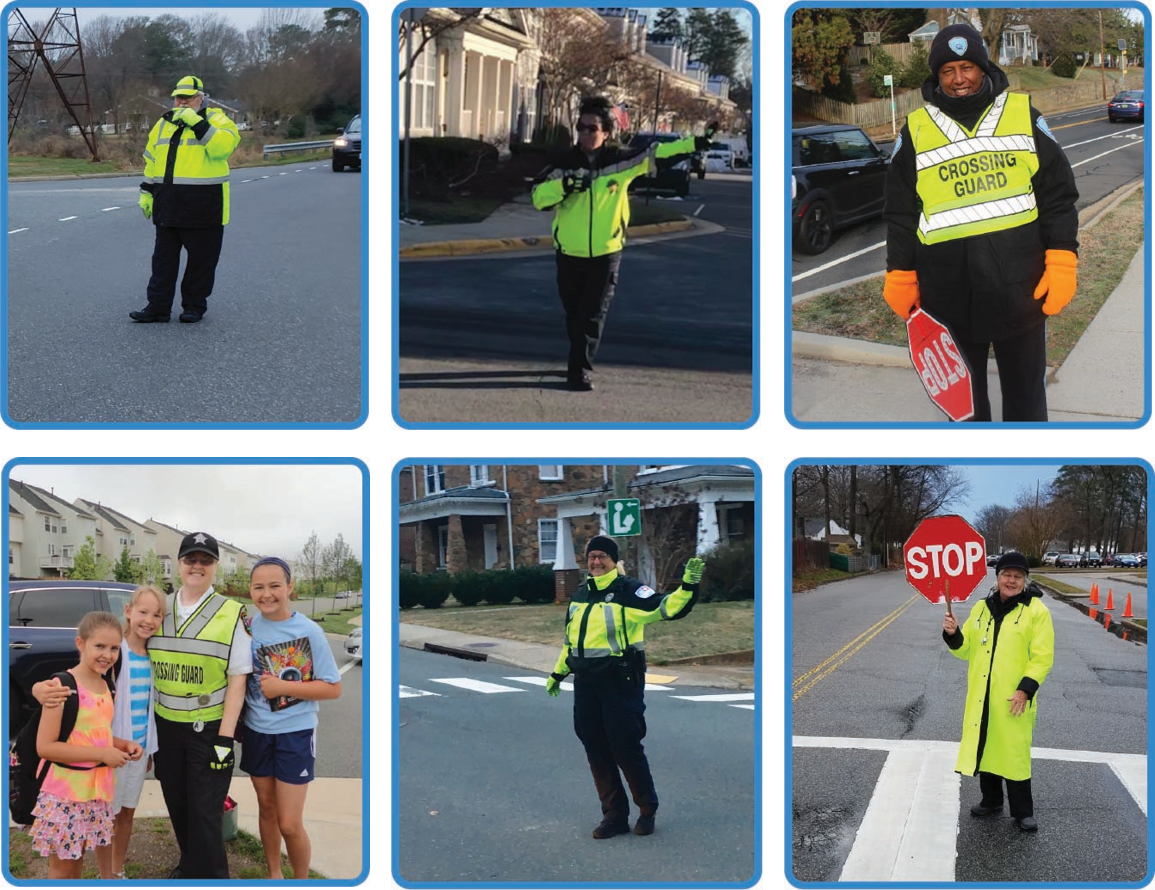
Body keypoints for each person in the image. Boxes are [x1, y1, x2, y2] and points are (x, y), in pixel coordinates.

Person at [882, 23, 1080, 421]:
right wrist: (900, 273)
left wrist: (1062, 260)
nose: (959, 79)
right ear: (936, 77)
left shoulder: (1024, 115)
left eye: (967, 67)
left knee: (1026, 405)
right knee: (966, 412)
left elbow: (1058, 196)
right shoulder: (916, 133)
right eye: (948, 70)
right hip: (947, 297)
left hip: (1022, 292)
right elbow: (901, 213)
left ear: (984, 69)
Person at [531, 96, 718, 390]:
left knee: (592, 314)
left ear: (606, 132)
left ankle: (577, 369)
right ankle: (576, 357)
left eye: (591, 128)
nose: (584, 133)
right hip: (568, 252)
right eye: (580, 127)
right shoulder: (563, 164)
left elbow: (658, 154)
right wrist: (564, 187)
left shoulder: (619, 162)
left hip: (606, 253)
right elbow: (537, 197)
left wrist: (696, 144)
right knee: (574, 313)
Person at [546, 535, 705, 838]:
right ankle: (614, 815)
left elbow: (666, 607)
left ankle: (647, 809)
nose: (596, 562)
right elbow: (572, 643)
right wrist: (557, 674)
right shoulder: (580, 594)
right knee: (595, 748)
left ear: (614, 561)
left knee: (625, 747)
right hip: (587, 684)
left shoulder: (629, 591)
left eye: (603, 556)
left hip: (620, 682)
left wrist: (688, 586)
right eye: (592, 556)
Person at [148, 531, 252, 878]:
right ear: (179, 565)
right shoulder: (159, 608)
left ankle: (212, 876)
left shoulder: (231, 613)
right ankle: (189, 866)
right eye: (190, 559)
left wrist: (224, 739)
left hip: (209, 732)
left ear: (215, 567)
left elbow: (238, 679)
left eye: (205, 560)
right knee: (177, 804)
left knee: (205, 813)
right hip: (166, 729)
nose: (197, 566)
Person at [241, 557, 342, 879]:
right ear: (250, 590)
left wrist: (283, 686)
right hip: (256, 731)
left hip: (295, 733)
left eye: (274, 586)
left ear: (290, 588)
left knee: (289, 822)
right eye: (259, 587)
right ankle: (274, 874)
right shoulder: (247, 628)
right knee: (267, 810)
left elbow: (333, 688)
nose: (267, 594)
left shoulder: (309, 631)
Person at [941, 551, 1054, 831]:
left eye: (1018, 576)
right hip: (982, 695)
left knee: (1013, 752)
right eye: (1007, 575)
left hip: (1013, 697)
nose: (1011, 581)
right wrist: (953, 633)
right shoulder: (981, 608)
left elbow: (1042, 657)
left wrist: (1025, 690)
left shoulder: (1036, 612)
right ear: (998, 577)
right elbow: (966, 649)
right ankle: (991, 800)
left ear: (1025, 580)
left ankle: (1022, 811)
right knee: (986, 746)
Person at [30, 611, 143, 879]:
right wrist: (102, 754)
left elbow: (93, 734)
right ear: (80, 643)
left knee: (77, 859)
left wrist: (122, 744)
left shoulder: (107, 686)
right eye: (100, 646)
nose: (108, 654)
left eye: (114, 648)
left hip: (96, 793)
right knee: (63, 867)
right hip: (65, 794)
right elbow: (46, 747)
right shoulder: (62, 686)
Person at [130, 75, 241, 324]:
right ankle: (158, 307)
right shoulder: (164, 122)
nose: (181, 102)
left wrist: (196, 123)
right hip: (168, 202)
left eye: (188, 98)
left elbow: (223, 148)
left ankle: (194, 306)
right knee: (162, 260)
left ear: (201, 98)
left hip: (205, 204)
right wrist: (146, 192)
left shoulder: (218, 120)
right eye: (178, 97)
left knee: (201, 261)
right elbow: (152, 159)